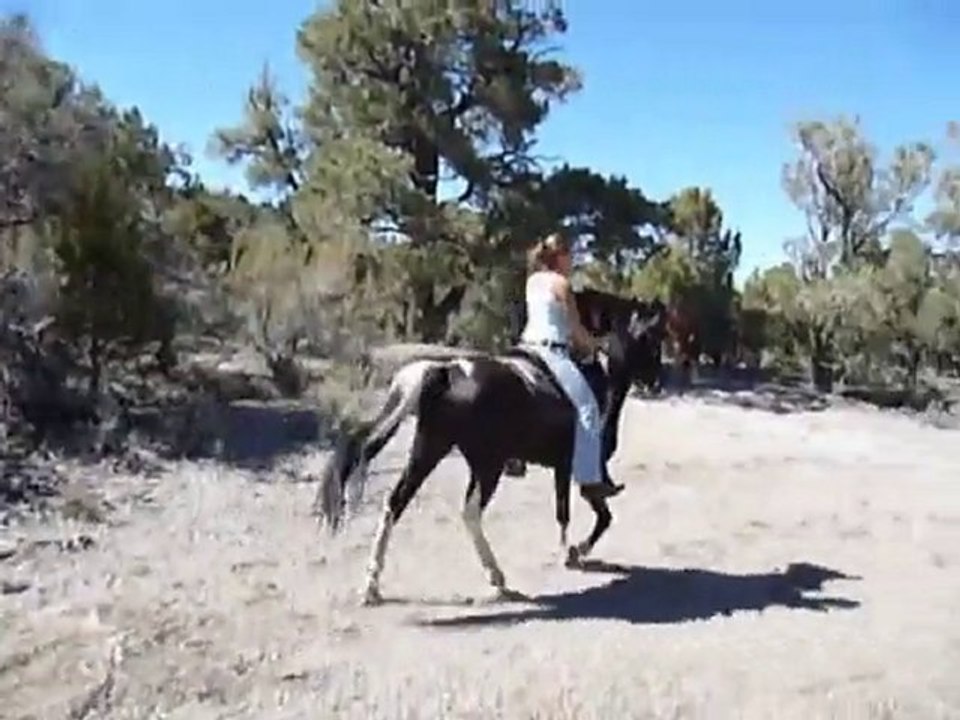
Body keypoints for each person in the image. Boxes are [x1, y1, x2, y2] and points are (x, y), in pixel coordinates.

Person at [519, 232, 623, 499]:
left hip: (525, 347)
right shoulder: (562, 285)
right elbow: (576, 332)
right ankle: (590, 478)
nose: (573, 261)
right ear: (560, 257)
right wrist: (598, 345)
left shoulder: (532, 281)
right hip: (551, 352)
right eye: (570, 255)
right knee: (588, 407)